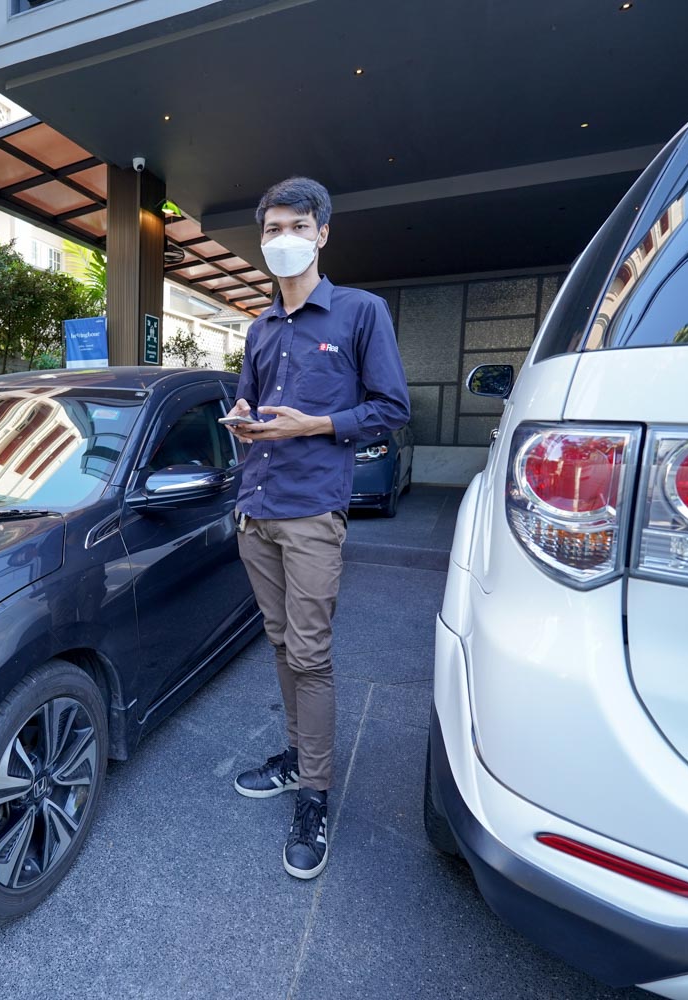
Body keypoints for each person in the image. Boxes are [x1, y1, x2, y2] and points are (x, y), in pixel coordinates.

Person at [226, 177, 410, 880]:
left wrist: (322, 424)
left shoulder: (360, 313)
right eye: (271, 227)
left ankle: (315, 794)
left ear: (322, 233)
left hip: (310, 515)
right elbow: (255, 399)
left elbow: (391, 407)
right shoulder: (259, 326)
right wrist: (243, 416)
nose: (282, 238)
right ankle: (300, 757)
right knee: (279, 645)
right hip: (258, 509)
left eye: (295, 225)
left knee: (309, 656)